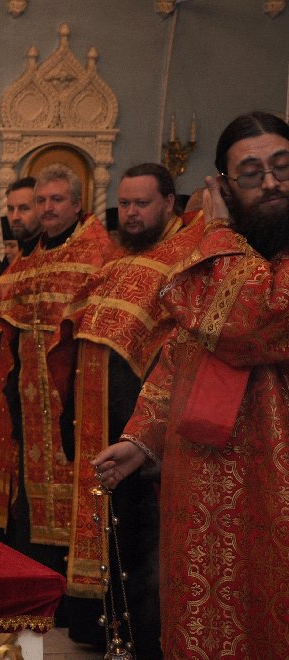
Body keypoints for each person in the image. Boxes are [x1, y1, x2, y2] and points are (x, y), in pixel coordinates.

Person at [93, 111, 289, 657]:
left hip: (275, 478)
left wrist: (219, 232)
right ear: (225, 185)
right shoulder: (220, 257)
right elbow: (183, 354)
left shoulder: (220, 252)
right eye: (251, 173)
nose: (270, 182)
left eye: (282, 167)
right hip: (202, 479)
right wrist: (141, 439)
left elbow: (246, 324)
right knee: (205, 620)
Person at [0, 163, 116, 626]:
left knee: (75, 496)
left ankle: (79, 609)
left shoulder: (97, 252)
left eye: (56, 200)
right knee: (31, 503)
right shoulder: (33, 257)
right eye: (42, 201)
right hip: (29, 404)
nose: (47, 209)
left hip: (74, 401)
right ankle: (43, 601)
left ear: (77, 203)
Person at [62, 163, 204, 654]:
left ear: (169, 203)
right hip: (103, 421)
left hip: (152, 435)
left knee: (145, 543)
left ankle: (146, 643)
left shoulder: (187, 257)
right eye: (124, 203)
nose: (131, 213)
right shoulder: (118, 260)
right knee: (115, 534)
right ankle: (112, 635)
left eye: (142, 203)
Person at [4, 176, 42, 258]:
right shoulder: (16, 259)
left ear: (41, 209)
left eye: (24, 208)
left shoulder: (55, 254)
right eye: (11, 209)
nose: (15, 217)